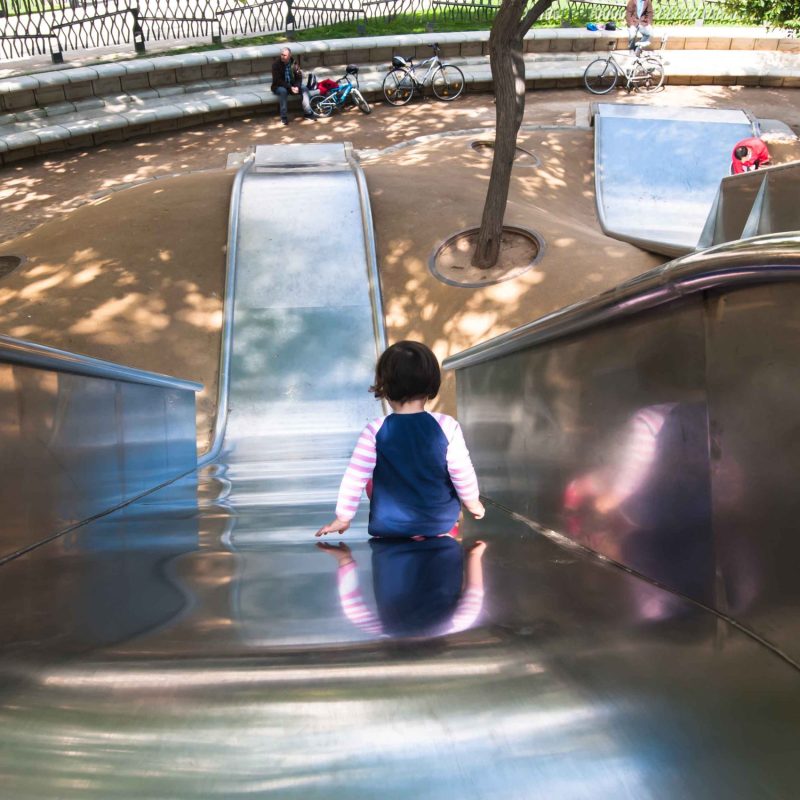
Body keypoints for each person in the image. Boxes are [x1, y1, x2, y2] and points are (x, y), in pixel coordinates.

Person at [315, 340, 485, 539]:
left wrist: (343, 518)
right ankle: (443, 532)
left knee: (370, 473)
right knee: (444, 471)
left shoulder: (374, 430)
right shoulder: (447, 426)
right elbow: (461, 472)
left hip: (389, 525)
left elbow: (355, 478)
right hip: (439, 523)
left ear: (384, 387)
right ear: (431, 383)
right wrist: (472, 502)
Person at [271, 47, 314, 125]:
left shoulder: (294, 63)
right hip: (279, 86)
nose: (282, 56)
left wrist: (297, 86)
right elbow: (278, 80)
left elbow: (299, 77)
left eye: (284, 55)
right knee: (283, 91)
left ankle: (308, 113)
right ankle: (283, 117)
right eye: (281, 54)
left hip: (292, 86)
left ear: (289, 55)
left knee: (304, 88)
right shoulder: (276, 64)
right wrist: (290, 87)